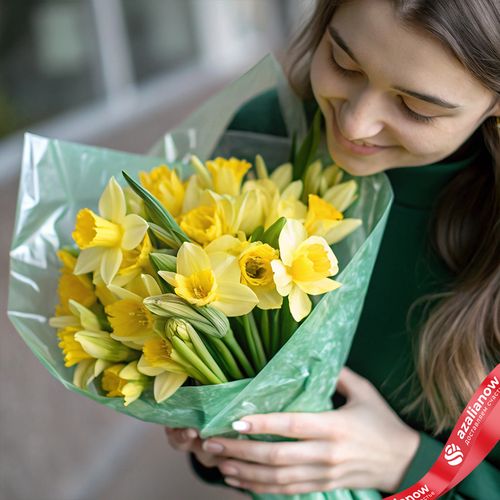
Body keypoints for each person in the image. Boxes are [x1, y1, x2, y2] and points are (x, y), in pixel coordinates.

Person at [165, 0, 500, 497]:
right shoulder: (266, 133)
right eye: (343, 63)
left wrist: (412, 464)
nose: (355, 124)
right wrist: (218, 428)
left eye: (416, 108)